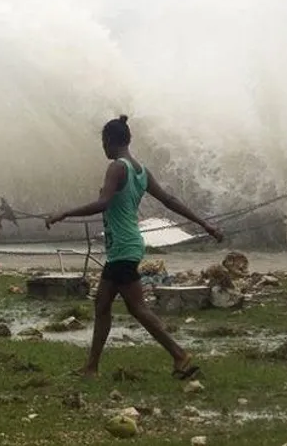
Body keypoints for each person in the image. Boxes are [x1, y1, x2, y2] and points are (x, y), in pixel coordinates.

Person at [45, 115, 223, 380]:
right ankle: (91, 367)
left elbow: (104, 202)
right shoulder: (141, 170)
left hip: (123, 247)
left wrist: (64, 213)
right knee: (102, 304)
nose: (102, 148)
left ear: (108, 141)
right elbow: (169, 200)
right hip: (127, 245)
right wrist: (205, 224)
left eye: (102, 142)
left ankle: (179, 355)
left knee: (137, 308)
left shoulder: (117, 168)